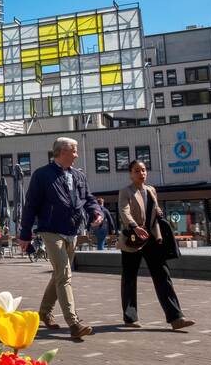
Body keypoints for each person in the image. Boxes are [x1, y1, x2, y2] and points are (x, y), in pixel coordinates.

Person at [18, 137, 102, 339]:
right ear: (62, 152)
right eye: (74, 150)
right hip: (50, 230)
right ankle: (73, 323)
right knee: (64, 274)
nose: (77, 154)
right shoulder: (42, 175)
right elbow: (31, 206)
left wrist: (96, 212)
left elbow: (88, 199)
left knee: (58, 274)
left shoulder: (79, 175)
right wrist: (25, 234)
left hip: (71, 230)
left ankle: (44, 313)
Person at [119, 159, 195, 331]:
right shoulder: (125, 192)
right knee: (130, 277)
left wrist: (158, 212)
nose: (141, 174)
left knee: (162, 275)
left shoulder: (151, 190)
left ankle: (176, 317)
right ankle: (130, 317)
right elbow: (124, 211)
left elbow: (153, 211)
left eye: (144, 170)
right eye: (137, 171)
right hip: (133, 238)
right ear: (131, 174)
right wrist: (135, 226)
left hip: (152, 239)